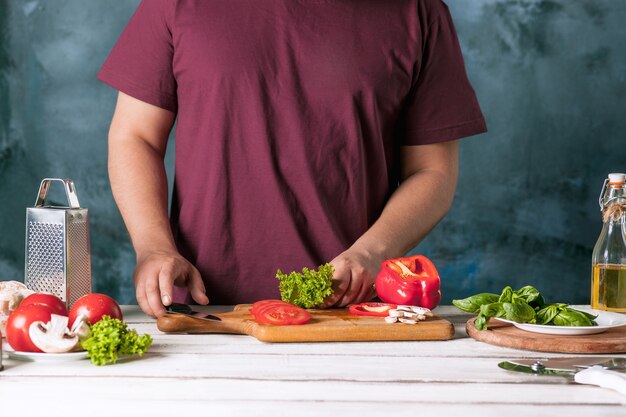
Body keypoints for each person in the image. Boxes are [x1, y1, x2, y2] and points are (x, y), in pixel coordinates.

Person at [99, 0, 486, 317]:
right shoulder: (176, 4)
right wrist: (154, 247)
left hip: (351, 318)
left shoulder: (418, 11)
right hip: (205, 315)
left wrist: (373, 252)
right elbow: (136, 136)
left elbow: (432, 171)